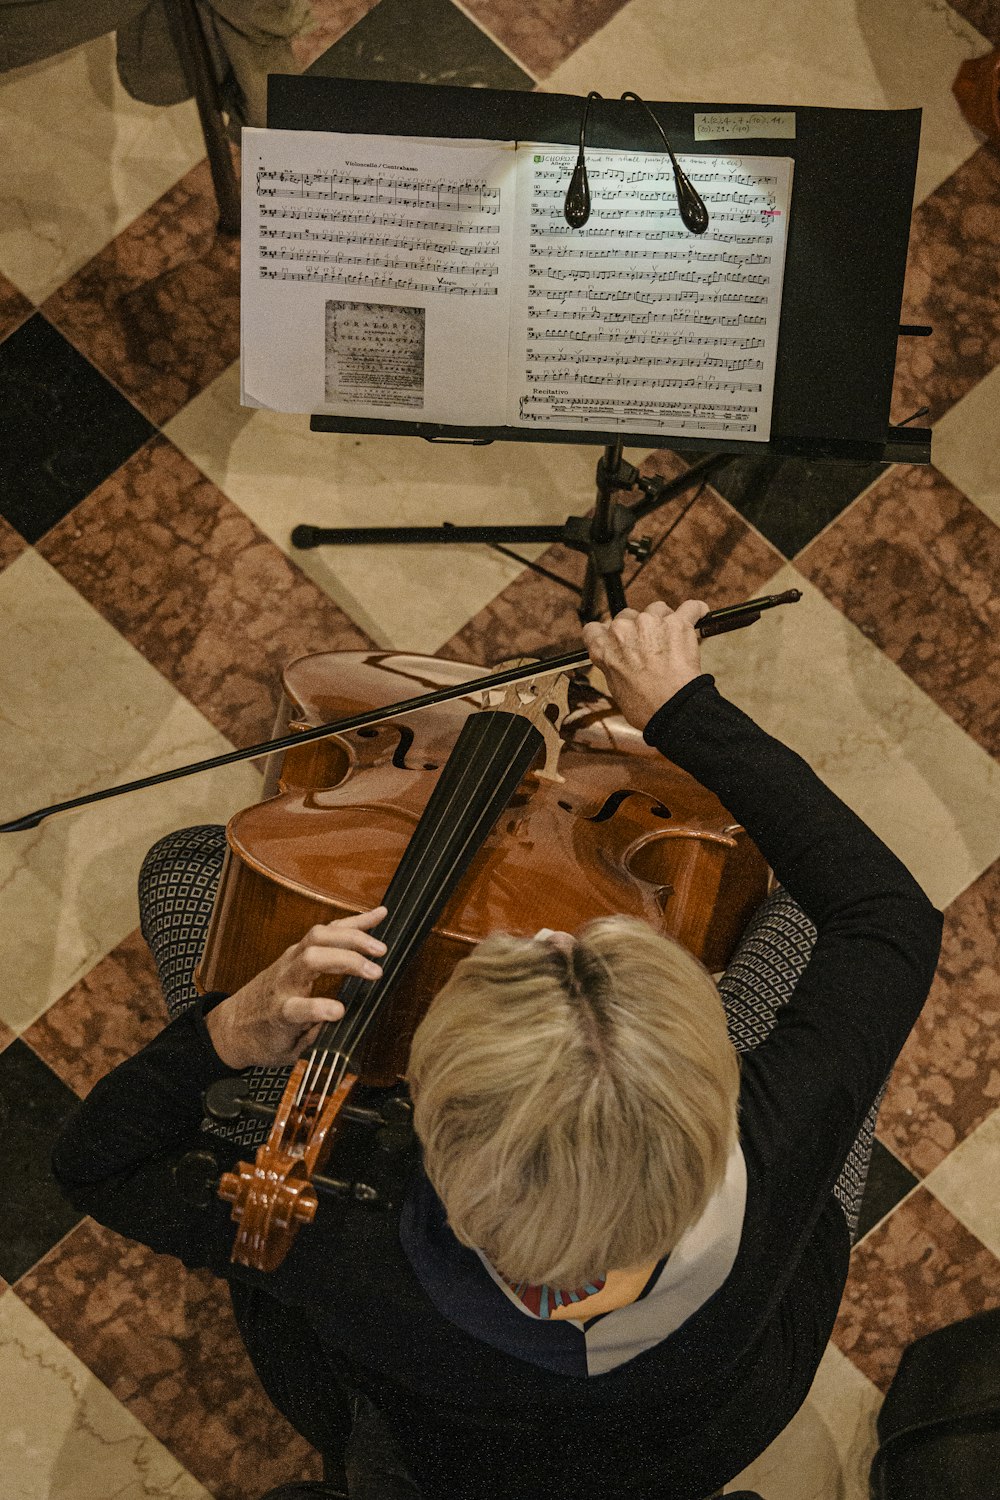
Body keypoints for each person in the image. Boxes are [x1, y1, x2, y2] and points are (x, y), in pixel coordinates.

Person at [51, 600, 943, 1500]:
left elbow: (98, 1165)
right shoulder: (775, 1141)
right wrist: (683, 708)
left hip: (407, 1439)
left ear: (424, 1111)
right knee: (794, 917)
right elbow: (887, 916)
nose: (556, 934)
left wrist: (231, 1031)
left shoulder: (336, 1241)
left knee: (190, 867)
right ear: (706, 1098)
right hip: (710, 1422)